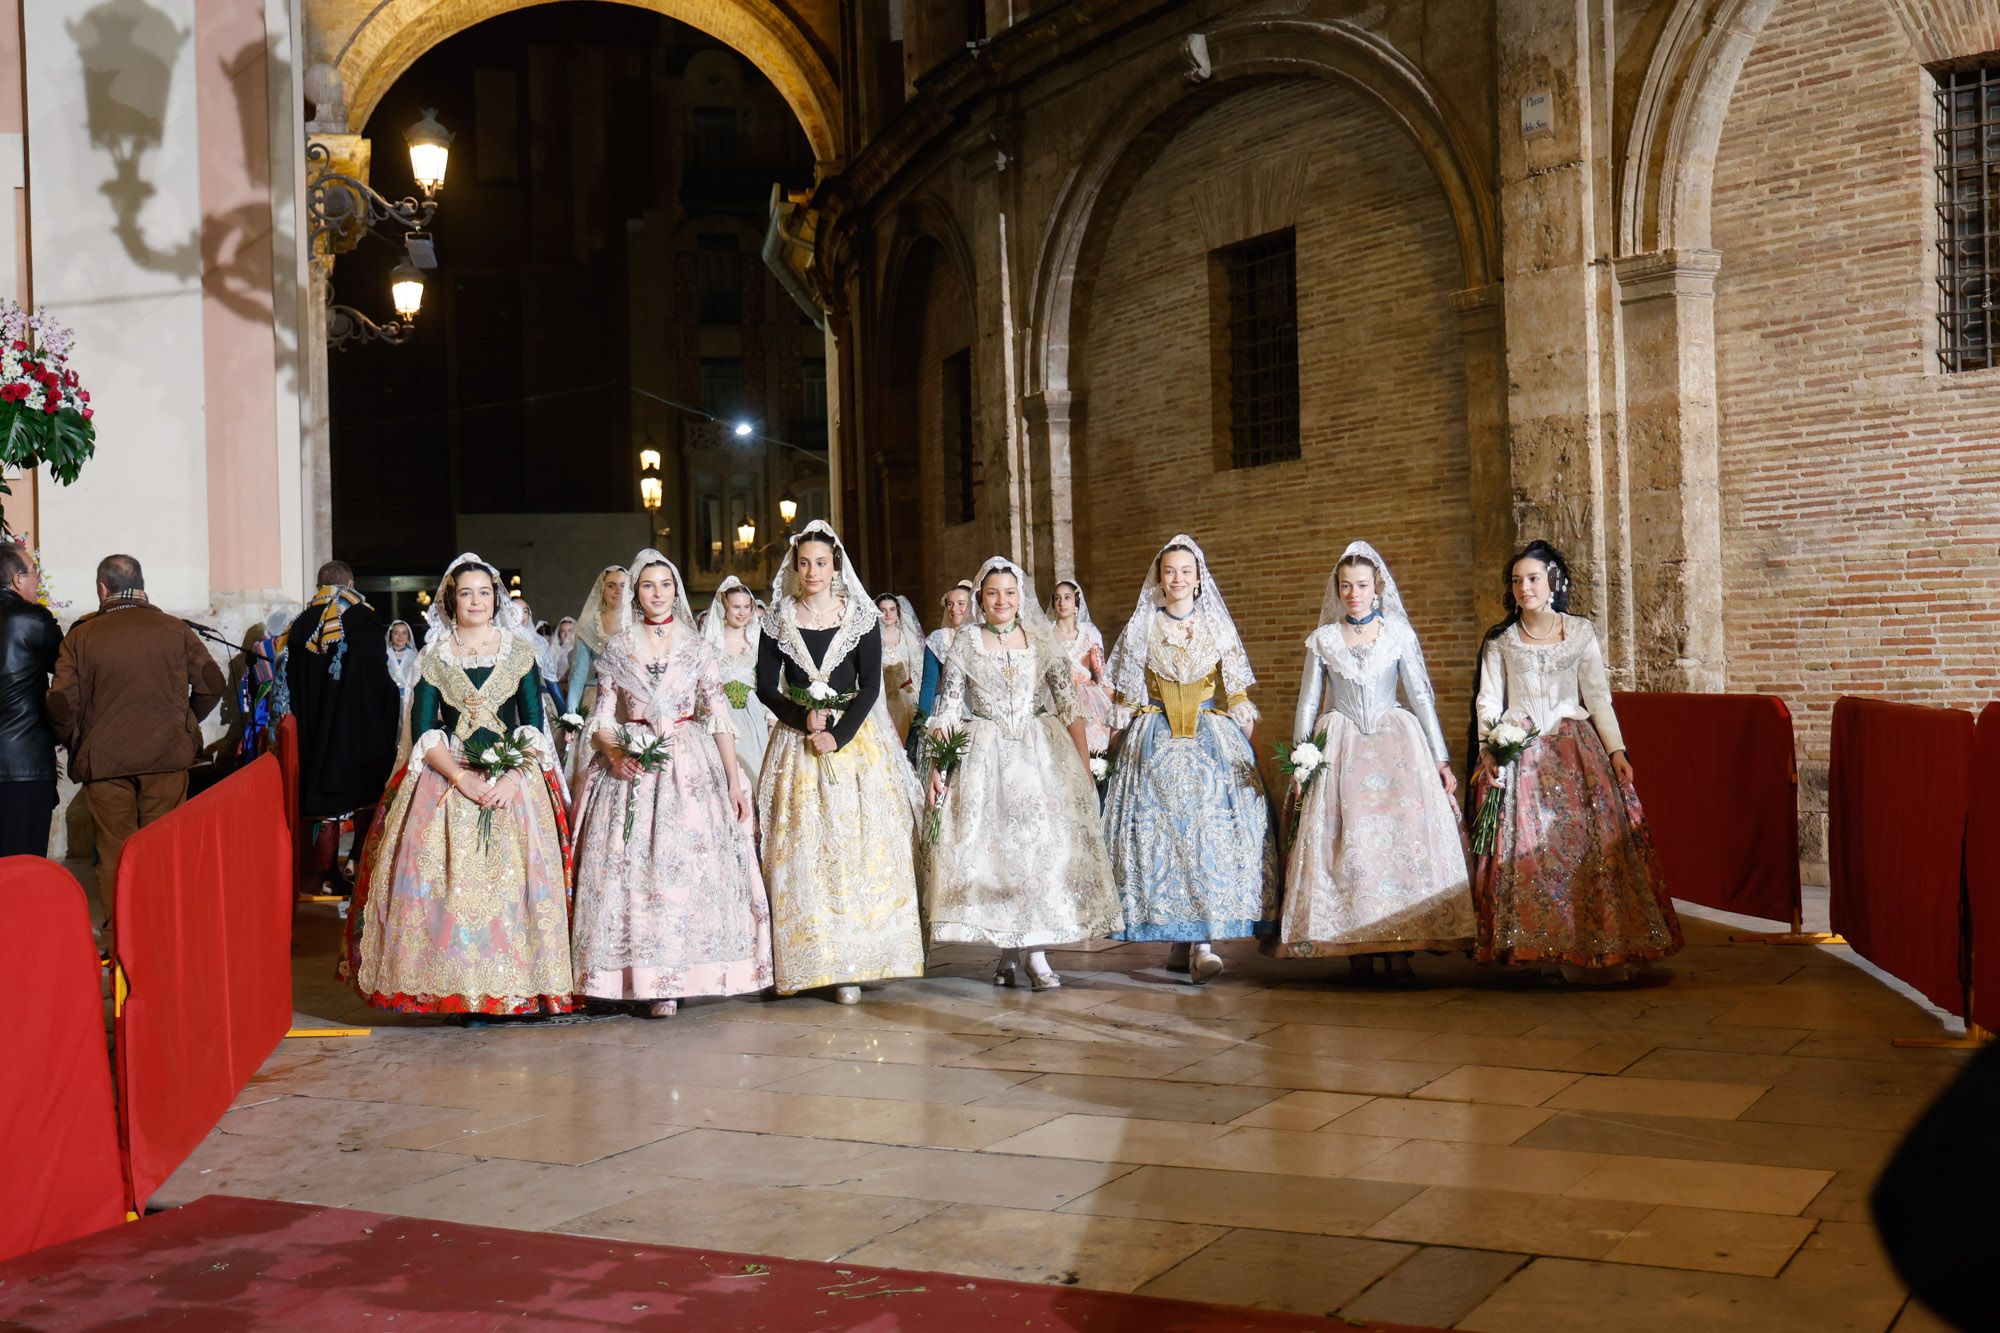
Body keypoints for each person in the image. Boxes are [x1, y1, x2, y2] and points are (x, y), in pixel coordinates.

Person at [344, 552, 573, 1017]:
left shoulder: (519, 653)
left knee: (517, 884)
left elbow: (532, 724)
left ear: (496, 599)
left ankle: (517, 984)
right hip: (450, 775)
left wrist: (512, 777)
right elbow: (426, 731)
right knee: (442, 880)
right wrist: (461, 779)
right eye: (466, 593)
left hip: (514, 778)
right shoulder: (434, 657)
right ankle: (453, 986)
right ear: (451, 601)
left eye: (484, 592)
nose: (476, 601)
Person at [1470, 540, 1681, 981]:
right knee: (1532, 853)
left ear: (1553, 582)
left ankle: (1598, 945)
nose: (1524, 587)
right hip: (1522, 755)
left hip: (1575, 751)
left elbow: (1598, 697)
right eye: (1516, 581)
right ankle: (1543, 947)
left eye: (1532, 578)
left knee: (1588, 850)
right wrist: (1491, 748)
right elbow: (1488, 701)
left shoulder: (1580, 632)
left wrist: (1616, 751)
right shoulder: (1501, 640)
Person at [570, 551, 771, 1016]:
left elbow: (719, 716)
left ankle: (685, 972)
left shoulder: (698, 646)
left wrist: (733, 783)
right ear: (636, 593)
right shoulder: (618, 647)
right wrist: (616, 753)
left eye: (665, 585)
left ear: (676, 590)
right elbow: (601, 717)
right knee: (634, 869)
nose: (657, 593)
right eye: (647, 586)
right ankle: (643, 977)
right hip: (634, 759)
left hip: (689, 758)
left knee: (687, 865)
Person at [1273, 542, 1473, 980]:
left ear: (1376, 588)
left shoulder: (1397, 634)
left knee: (1397, 845)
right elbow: (1308, 704)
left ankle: (1400, 945)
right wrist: (1302, 760)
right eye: (1345, 586)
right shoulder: (1324, 640)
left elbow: (1420, 697)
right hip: (1340, 743)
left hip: (1396, 744)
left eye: (1361, 585)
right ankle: (1355, 947)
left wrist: (1440, 759)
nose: (1353, 593)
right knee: (1351, 845)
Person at [923, 557, 1119, 990]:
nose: (1002, 601)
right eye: (993, 593)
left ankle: (1035, 954)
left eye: (1010, 593)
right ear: (980, 598)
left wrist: (1084, 766)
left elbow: (1068, 704)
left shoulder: (1041, 639)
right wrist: (939, 765)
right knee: (999, 856)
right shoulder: (966, 642)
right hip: (985, 755)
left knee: (1036, 852)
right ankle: (1011, 946)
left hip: (1038, 753)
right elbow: (950, 706)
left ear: (1021, 597)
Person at [755, 520, 924, 1003]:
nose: (812, 571)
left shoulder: (862, 618)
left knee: (859, 843)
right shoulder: (778, 619)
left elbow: (871, 686)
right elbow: (767, 686)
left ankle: (859, 958)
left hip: (856, 744)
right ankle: (812, 958)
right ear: (794, 567)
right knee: (803, 848)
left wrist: (839, 734)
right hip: (796, 743)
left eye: (821, 563)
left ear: (836, 567)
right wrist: (802, 717)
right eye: (803, 563)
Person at [1100, 535, 1277, 982]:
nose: (1177, 579)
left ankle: (1202, 942)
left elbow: (1236, 691)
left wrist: (1243, 753)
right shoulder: (1142, 626)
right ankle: (1179, 940)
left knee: (1208, 836)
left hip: (1208, 737)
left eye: (1185, 571)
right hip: (1155, 735)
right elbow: (1123, 694)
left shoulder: (1216, 625)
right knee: (1164, 838)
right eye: (1169, 572)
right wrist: (1120, 747)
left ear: (1199, 579)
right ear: (1160, 579)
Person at [48, 555, 225, 931]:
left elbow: (62, 703)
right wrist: (186, 723)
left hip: (106, 764)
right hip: (166, 759)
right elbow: (214, 682)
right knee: (163, 851)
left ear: (102, 588)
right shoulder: (175, 629)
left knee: (115, 855)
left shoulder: (80, 635)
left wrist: (74, 739)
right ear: (142, 584)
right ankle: (164, 939)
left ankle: (124, 947)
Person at [284, 561, 400, 894]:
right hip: (354, 732)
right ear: (350, 583)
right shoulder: (361, 619)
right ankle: (356, 862)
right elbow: (378, 682)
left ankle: (324, 873)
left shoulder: (302, 623)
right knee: (362, 798)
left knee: (323, 804)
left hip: (313, 731)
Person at [0, 542, 62, 856]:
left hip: (18, 761)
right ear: (17, 580)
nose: (37, 579)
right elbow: (67, 669)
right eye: (34, 572)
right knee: (24, 867)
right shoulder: (32, 620)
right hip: (22, 766)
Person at [699, 575, 774, 792]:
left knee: (755, 771)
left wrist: (770, 719)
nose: (742, 612)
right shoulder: (712, 641)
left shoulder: (757, 640)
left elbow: (769, 681)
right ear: (724, 608)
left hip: (753, 714)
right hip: (722, 714)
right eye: (735, 607)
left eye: (746, 607)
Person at [562, 566, 631, 792]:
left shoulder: (637, 622)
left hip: (632, 697)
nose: (617, 591)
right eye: (611, 585)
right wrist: (571, 713)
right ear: (602, 590)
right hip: (598, 696)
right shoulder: (590, 624)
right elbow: (580, 672)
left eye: (623, 585)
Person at [908, 580, 975, 765]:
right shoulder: (938, 639)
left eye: (961, 603)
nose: (954, 609)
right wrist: (922, 721)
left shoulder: (983, 637)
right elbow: (929, 683)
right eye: (950, 604)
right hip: (946, 711)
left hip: (978, 713)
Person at [1050, 580, 1113, 756]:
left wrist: (1111, 700)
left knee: (1092, 747)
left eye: (1067, 598)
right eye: (1057, 598)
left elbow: (1101, 673)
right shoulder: (1046, 634)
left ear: (1076, 602)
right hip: (1055, 698)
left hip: (1087, 697)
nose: (1062, 603)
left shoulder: (1089, 633)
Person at [876, 592, 925, 743]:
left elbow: (917, 665)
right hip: (881, 697)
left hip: (906, 696)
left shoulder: (907, 637)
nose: (888, 614)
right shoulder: (873, 639)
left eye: (892, 609)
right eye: (883, 610)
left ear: (898, 612)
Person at [386, 620, 422, 706]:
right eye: (396, 633)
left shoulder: (415, 655)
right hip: (388, 698)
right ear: (390, 635)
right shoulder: (384, 654)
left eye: (404, 633)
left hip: (408, 699)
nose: (400, 636)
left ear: (408, 636)